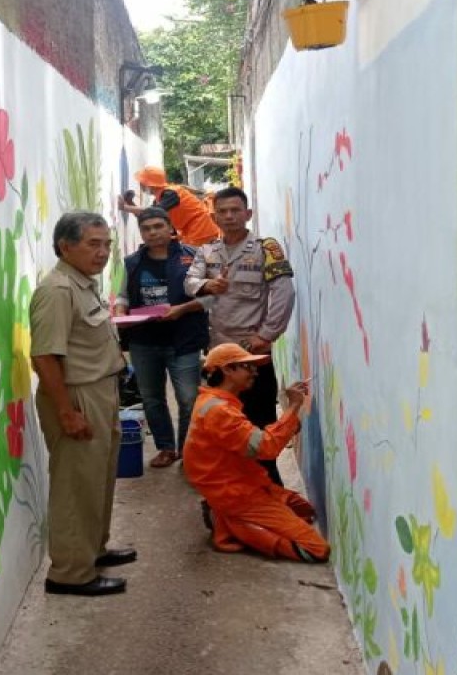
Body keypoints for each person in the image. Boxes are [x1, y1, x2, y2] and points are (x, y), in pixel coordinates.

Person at [30, 211, 136, 597]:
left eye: (107, 244)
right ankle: (70, 575)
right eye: (93, 243)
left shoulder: (82, 283)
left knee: (98, 479)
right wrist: (67, 412)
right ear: (66, 246)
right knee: (76, 487)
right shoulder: (57, 290)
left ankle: (92, 550)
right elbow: (44, 357)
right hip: (76, 395)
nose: (103, 252)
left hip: (100, 390)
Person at [184, 186, 295, 485]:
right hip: (219, 356)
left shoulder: (265, 249)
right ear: (214, 215)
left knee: (259, 425)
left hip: (251, 354)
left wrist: (268, 335)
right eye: (223, 211)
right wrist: (207, 286)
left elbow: (284, 292)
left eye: (236, 210)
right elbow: (189, 281)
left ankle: (269, 490)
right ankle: (229, 491)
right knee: (221, 427)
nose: (230, 216)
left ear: (248, 214)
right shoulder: (207, 250)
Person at [184, 343, 328, 562]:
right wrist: (293, 407)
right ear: (228, 370)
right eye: (247, 367)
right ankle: (232, 526)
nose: (255, 372)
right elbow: (266, 449)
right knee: (315, 549)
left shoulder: (216, 401)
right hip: (234, 492)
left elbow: (251, 440)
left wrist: (287, 421)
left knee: (303, 510)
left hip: (243, 483)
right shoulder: (220, 411)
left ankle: (225, 516)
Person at [113, 207, 209, 467]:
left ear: (170, 228)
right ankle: (166, 448)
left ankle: (189, 452)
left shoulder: (193, 257)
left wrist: (182, 309)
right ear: (141, 233)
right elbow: (122, 295)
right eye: (146, 228)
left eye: (158, 226)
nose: (153, 232)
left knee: (188, 398)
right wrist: (121, 310)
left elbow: (210, 298)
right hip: (144, 341)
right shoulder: (132, 262)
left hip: (184, 340)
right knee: (151, 398)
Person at [118, 165, 221, 247]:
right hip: (195, 231)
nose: (140, 185)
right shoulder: (162, 197)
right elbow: (148, 217)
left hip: (201, 230)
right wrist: (130, 204)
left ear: (149, 184)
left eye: (141, 182)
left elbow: (153, 212)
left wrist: (125, 207)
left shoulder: (171, 194)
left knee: (196, 267)